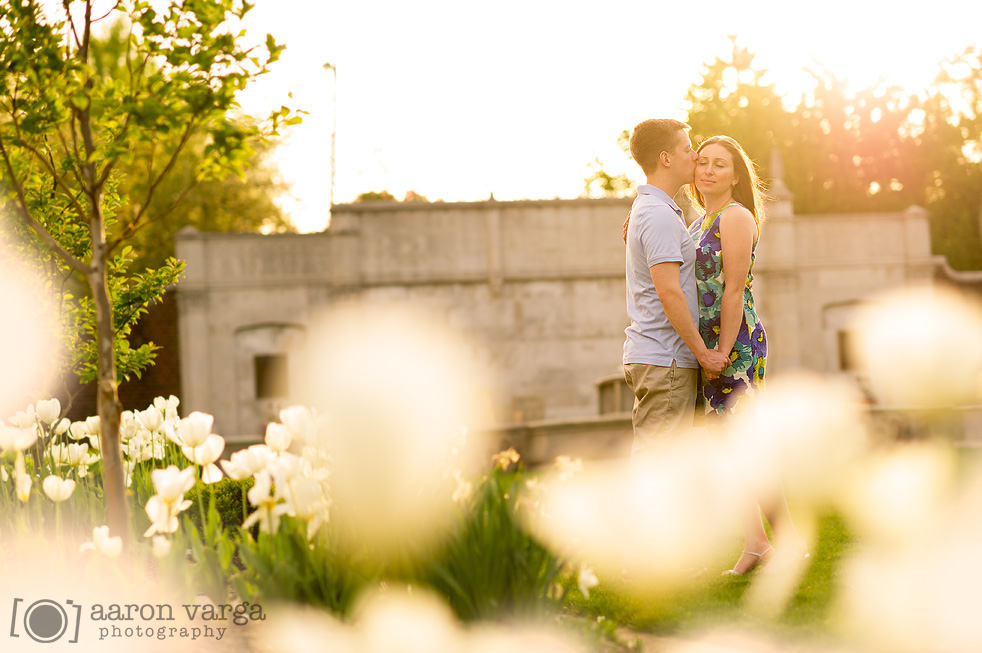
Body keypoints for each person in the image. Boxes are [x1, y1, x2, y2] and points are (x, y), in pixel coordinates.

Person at [687, 135, 807, 575]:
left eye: (720, 164)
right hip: (713, 347)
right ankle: (757, 545)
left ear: (736, 175)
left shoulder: (735, 218)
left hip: (735, 344)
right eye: (702, 163)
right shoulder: (700, 221)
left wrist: (720, 349)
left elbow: (734, 289)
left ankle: (789, 541)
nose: (709, 171)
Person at [622, 119, 729, 458]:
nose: (695, 155)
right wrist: (703, 354)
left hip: (661, 358)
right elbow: (670, 293)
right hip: (666, 360)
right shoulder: (658, 215)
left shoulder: (656, 209)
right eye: (687, 149)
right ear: (666, 158)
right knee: (658, 470)